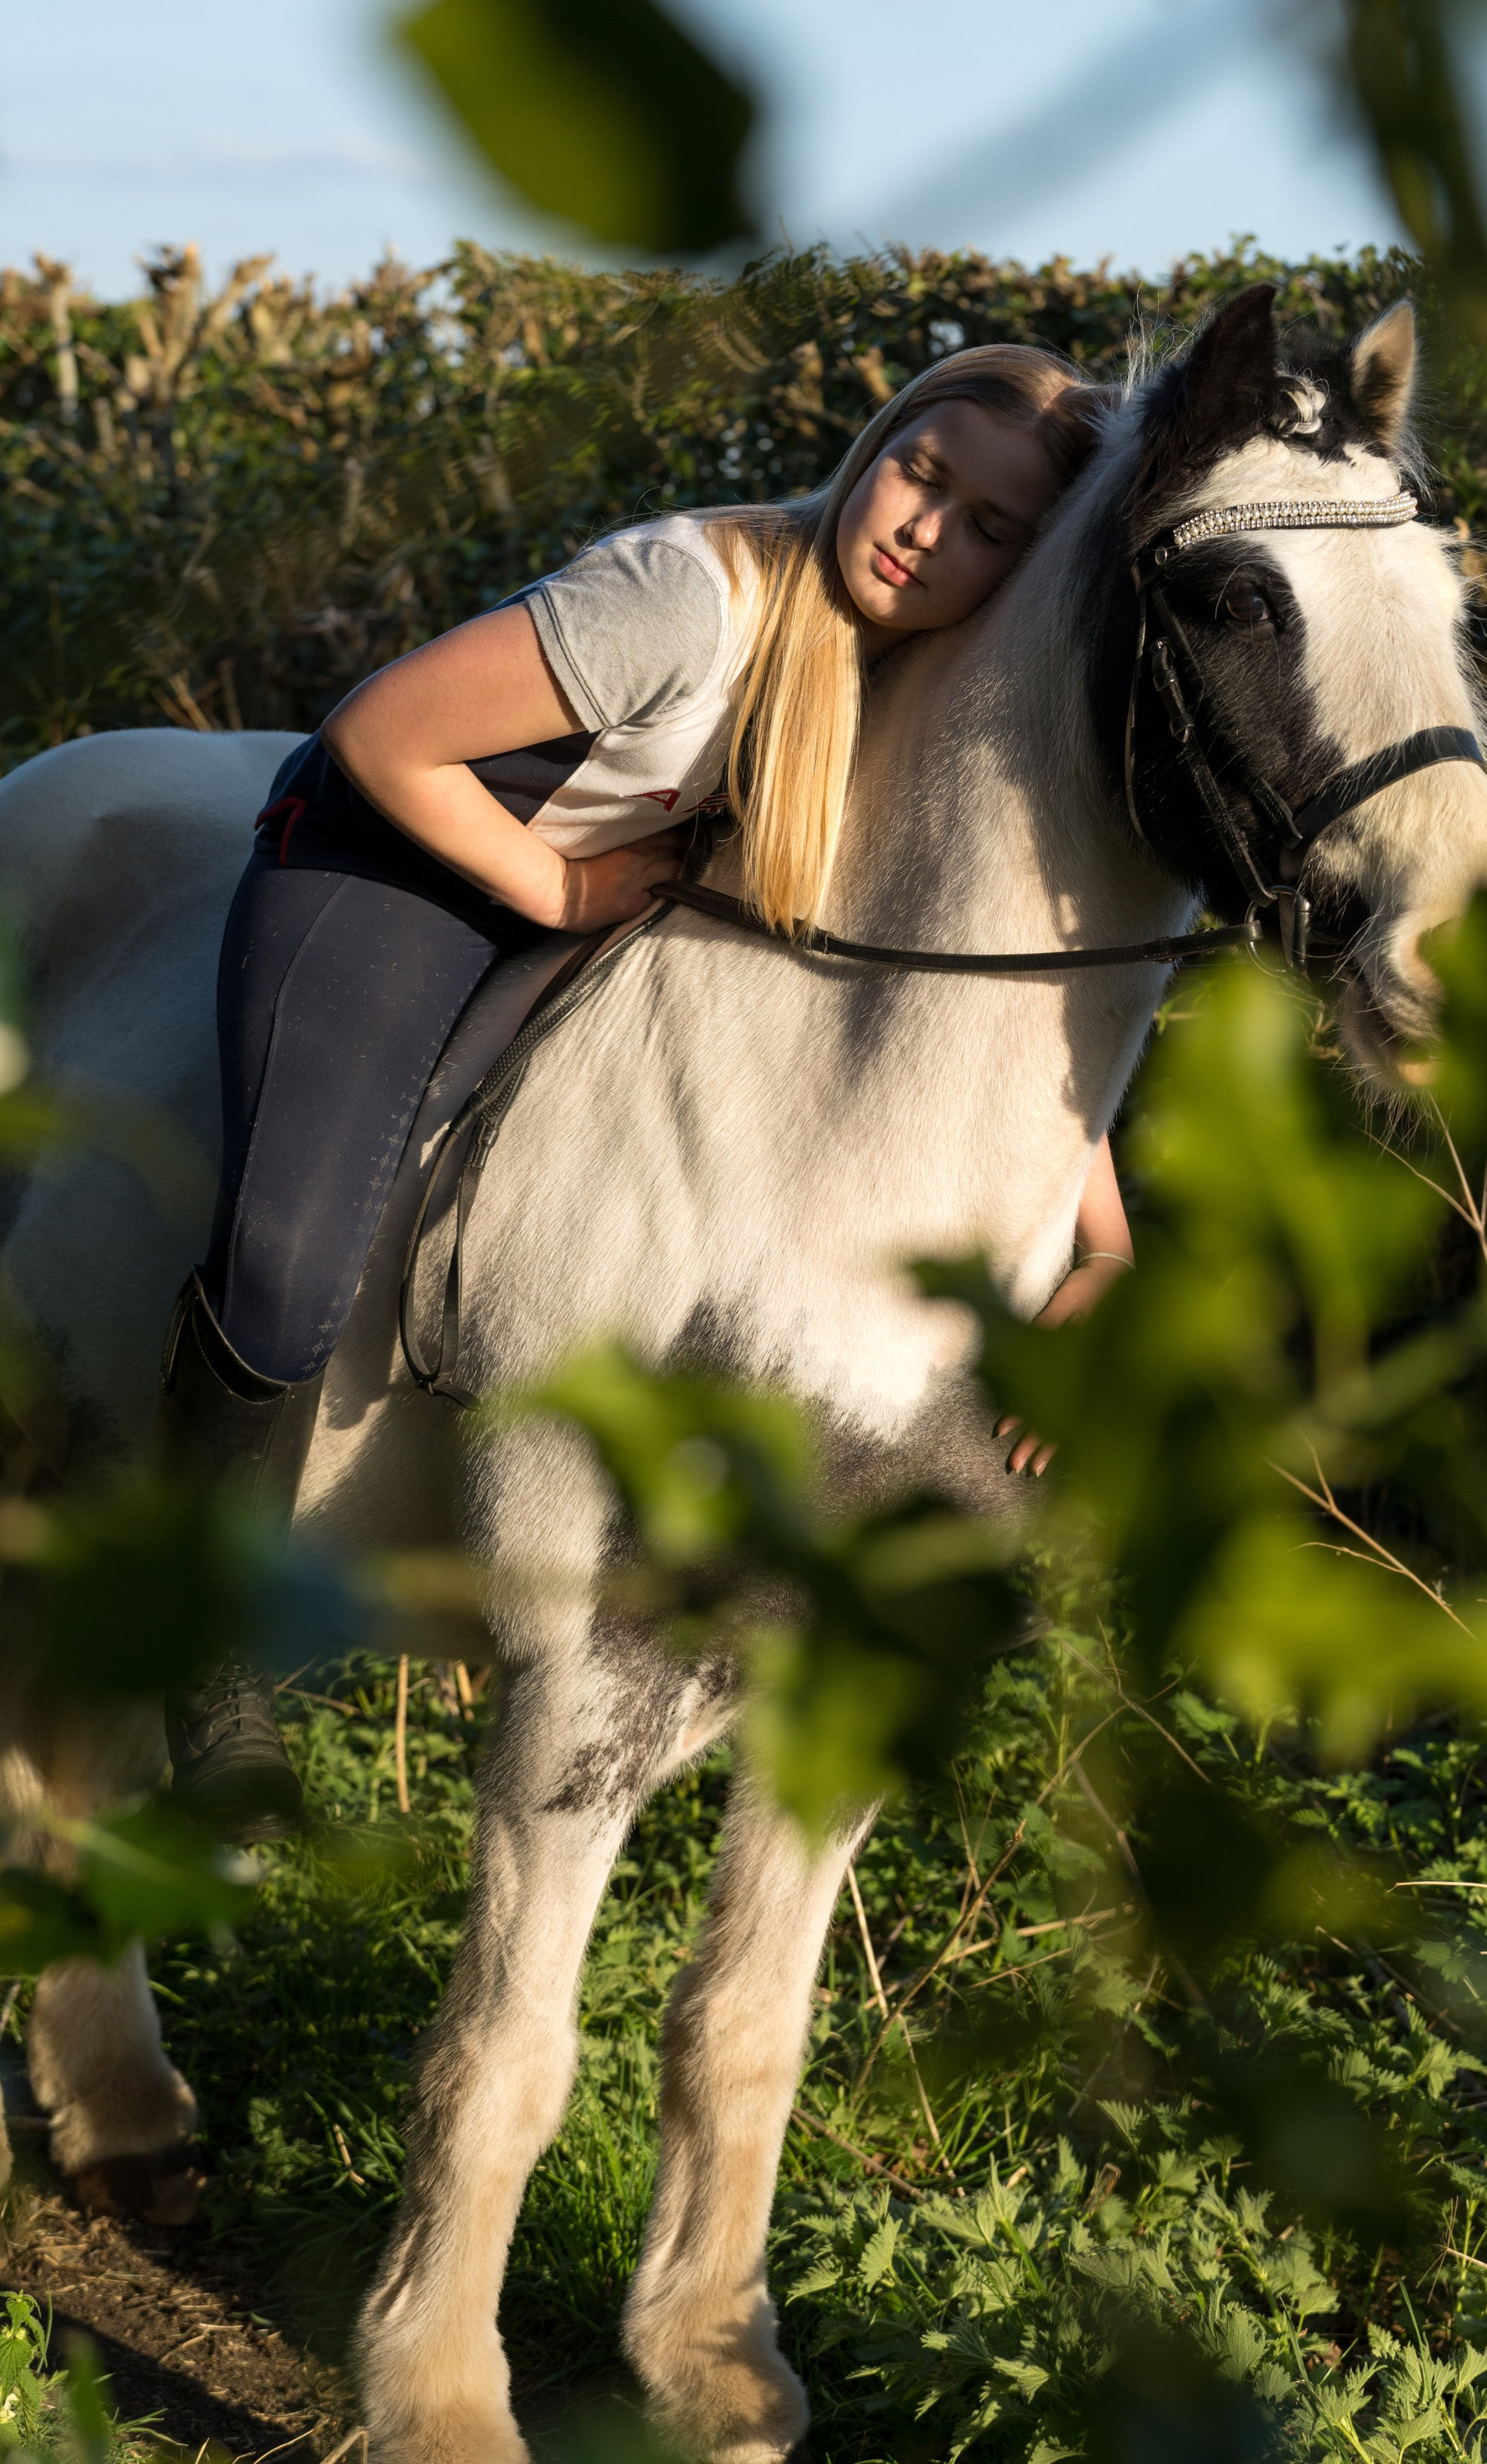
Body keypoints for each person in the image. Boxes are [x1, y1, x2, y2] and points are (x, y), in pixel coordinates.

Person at [161, 343, 1136, 1838]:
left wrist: (1104, 1238)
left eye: (988, 529)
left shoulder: (911, 663)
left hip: (593, 877)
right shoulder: (689, 600)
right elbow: (379, 733)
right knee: (291, 1273)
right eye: (920, 473)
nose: (925, 529)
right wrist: (559, 892)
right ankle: (199, 1641)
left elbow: (976, 989)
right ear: (877, 441)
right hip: (398, 850)